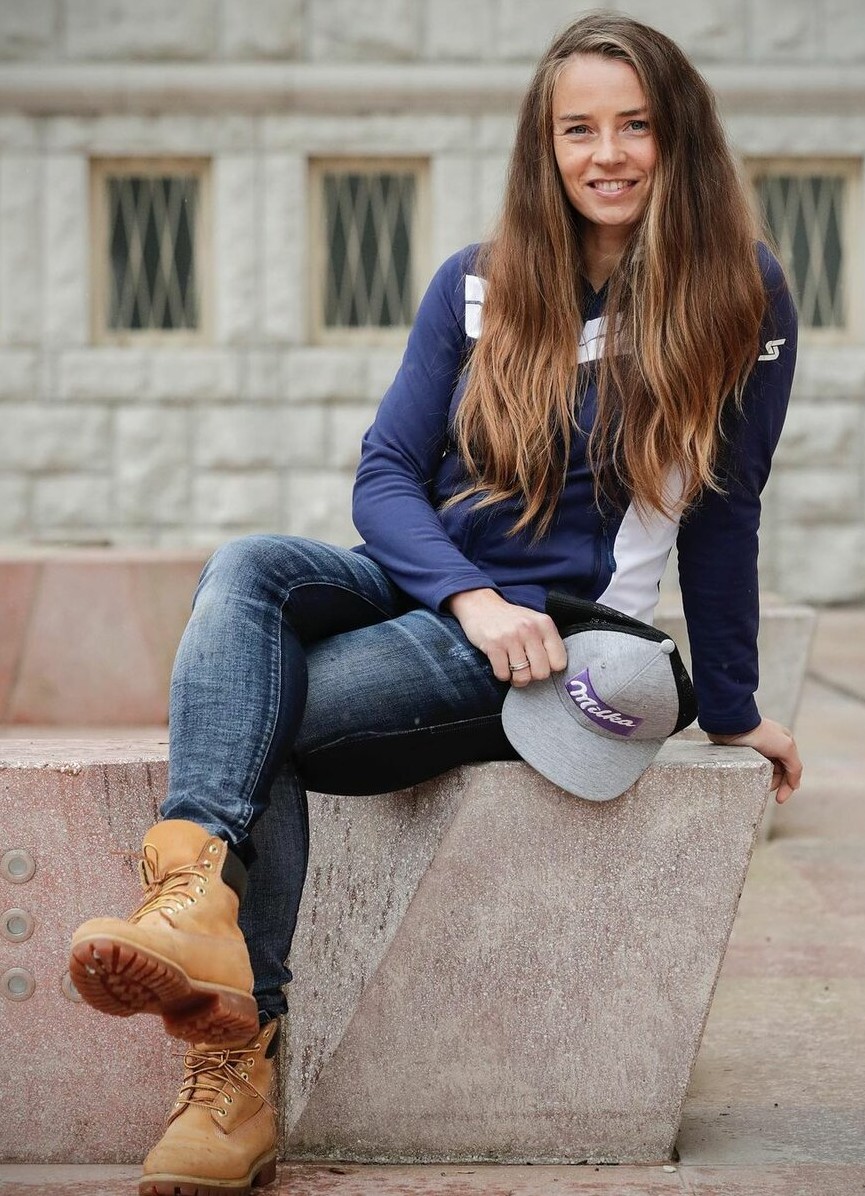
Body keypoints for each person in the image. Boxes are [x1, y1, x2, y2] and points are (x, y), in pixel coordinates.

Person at [70, 11, 802, 1194]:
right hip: (447, 594)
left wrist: (732, 704)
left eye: (634, 126)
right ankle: (192, 892)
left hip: (557, 628)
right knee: (249, 564)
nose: (606, 153)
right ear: (543, 144)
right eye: (577, 129)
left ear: (678, 138)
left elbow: (726, 508)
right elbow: (385, 474)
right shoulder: (477, 280)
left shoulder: (740, 290)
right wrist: (464, 595)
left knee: (262, 718)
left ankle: (231, 1069)